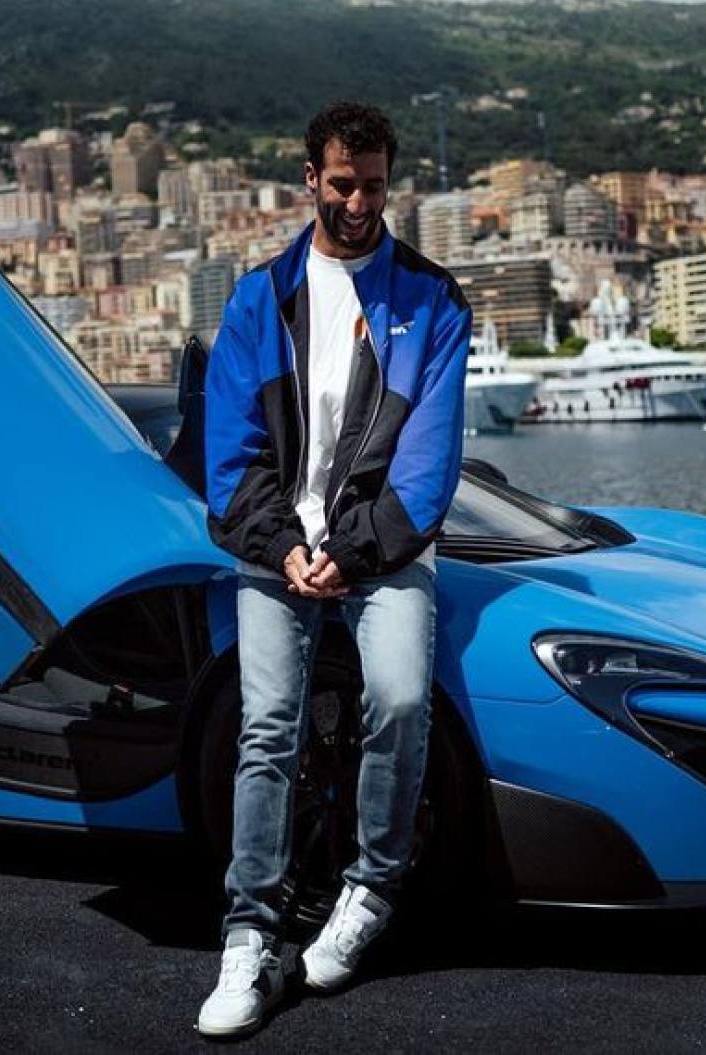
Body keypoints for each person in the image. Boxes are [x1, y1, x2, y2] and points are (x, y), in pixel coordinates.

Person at [194, 101, 471, 1038]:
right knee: (265, 723)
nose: (359, 202)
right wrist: (287, 550)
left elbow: (429, 468)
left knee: (395, 697)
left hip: (384, 551)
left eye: (376, 185)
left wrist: (349, 554)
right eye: (343, 183)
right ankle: (249, 931)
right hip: (280, 553)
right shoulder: (254, 300)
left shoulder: (433, 302)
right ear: (308, 178)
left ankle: (368, 894)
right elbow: (229, 463)